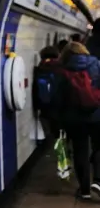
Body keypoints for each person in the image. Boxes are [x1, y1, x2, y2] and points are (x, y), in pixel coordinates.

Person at [53, 42, 100, 200]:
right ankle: (98, 182)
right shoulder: (96, 63)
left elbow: (57, 98)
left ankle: (85, 191)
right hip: (96, 113)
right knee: (99, 147)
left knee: (80, 152)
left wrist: (58, 120)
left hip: (74, 118)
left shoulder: (61, 69)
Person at [33, 46, 61, 138]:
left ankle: (49, 146)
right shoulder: (61, 67)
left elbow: (35, 89)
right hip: (59, 106)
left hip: (44, 107)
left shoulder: (40, 68)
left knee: (48, 133)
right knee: (59, 133)